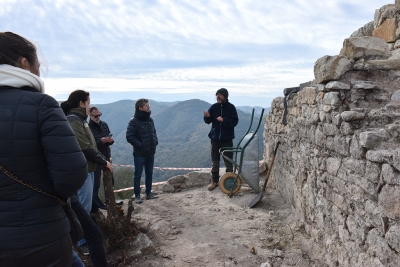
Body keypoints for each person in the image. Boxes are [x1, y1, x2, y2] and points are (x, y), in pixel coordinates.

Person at [0, 32, 87, 266]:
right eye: (38, 64)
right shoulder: (41, 105)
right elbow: (72, 173)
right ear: (24, 63)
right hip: (39, 236)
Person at [61, 90, 111, 264]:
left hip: (89, 168)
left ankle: (83, 238)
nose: (89, 106)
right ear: (81, 104)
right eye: (88, 103)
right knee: (82, 205)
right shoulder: (74, 121)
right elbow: (84, 147)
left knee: (87, 205)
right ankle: (82, 241)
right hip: (83, 169)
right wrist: (104, 162)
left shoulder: (81, 121)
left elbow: (90, 145)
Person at [204, 88, 239, 191]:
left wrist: (224, 120)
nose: (218, 96)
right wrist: (206, 117)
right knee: (215, 161)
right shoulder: (214, 107)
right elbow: (208, 121)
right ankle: (214, 182)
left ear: (225, 96)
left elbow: (234, 122)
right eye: (217, 94)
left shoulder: (231, 108)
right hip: (215, 139)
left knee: (228, 162)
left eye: (220, 95)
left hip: (227, 139)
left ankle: (230, 182)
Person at [88, 106, 122, 211]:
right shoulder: (88, 128)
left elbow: (110, 138)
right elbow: (90, 145)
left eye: (99, 115)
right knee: (96, 183)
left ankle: (110, 201)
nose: (98, 117)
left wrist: (110, 140)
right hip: (96, 158)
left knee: (110, 180)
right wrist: (100, 141)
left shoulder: (104, 124)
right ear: (90, 115)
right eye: (96, 115)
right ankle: (94, 205)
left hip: (107, 155)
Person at [126, 98, 159, 204]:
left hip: (150, 152)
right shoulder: (133, 121)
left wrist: (155, 142)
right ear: (140, 108)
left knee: (149, 174)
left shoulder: (150, 120)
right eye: (146, 106)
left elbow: (154, 132)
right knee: (138, 175)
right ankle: (137, 196)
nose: (149, 107)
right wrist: (141, 146)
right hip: (140, 154)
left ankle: (148, 193)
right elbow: (129, 137)